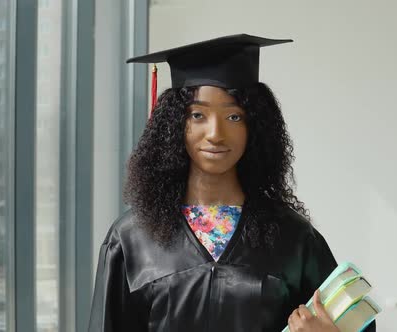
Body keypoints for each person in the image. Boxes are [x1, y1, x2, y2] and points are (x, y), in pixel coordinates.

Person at [88, 34, 376, 332]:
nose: (215, 133)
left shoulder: (293, 239)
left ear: (256, 126)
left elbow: (353, 322)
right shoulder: (132, 238)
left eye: (234, 117)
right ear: (175, 125)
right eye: (197, 115)